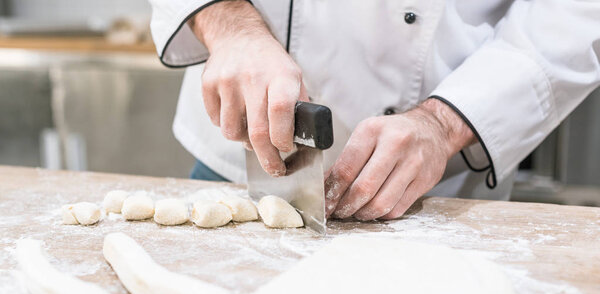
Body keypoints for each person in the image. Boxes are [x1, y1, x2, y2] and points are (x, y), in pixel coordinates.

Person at [148, 0, 600, 220]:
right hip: (240, 159)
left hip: (441, 180)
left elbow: (573, 17)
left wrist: (443, 123)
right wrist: (229, 24)